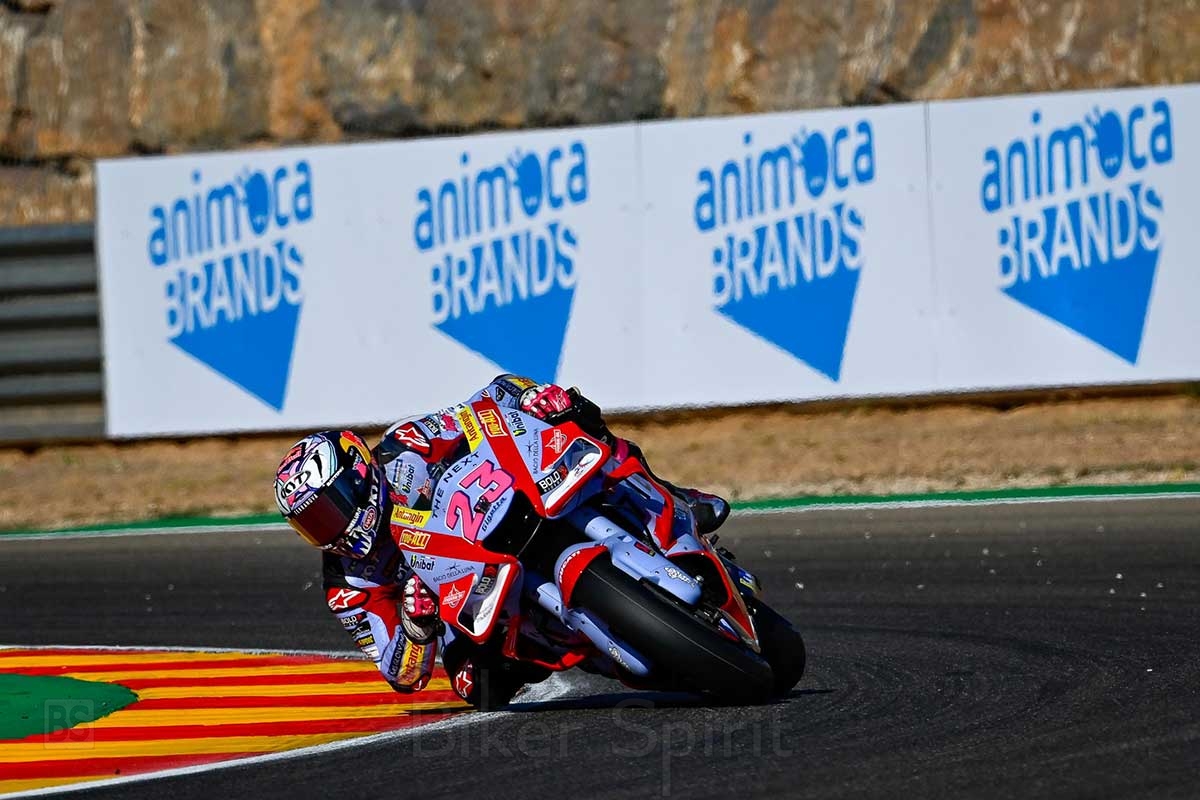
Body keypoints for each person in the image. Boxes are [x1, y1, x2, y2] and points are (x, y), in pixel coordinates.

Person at [273, 374, 730, 704]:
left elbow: (482, 404)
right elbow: (402, 675)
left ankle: (672, 497)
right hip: (466, 598)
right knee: (476, 686)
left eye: (328, 511)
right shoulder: (348, 581)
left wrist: (533, 397)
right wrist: (416, 625)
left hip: (496, 508)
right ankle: (589, 642)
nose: (328, 530)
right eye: (311, 524)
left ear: (357, 474)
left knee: (575, 415)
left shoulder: (402, 446)